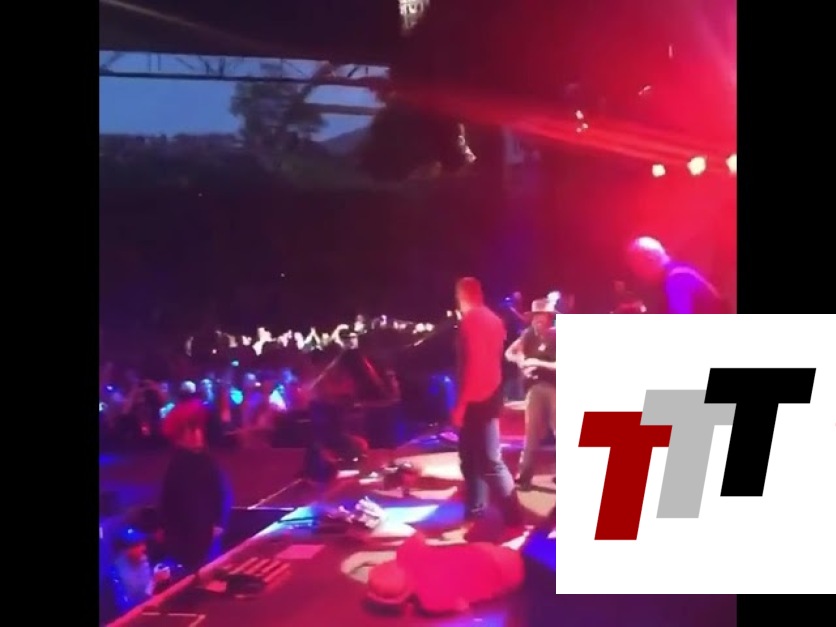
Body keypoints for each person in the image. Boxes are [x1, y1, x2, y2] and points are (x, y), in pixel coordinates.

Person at [452, 277, 523, 540]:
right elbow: (491, 363)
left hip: (477, 399)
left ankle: (513, 518)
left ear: (462, 296)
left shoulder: (471, 321)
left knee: (488, 461)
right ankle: (475, 511)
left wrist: (461, 405)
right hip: (490, 395)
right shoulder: (494, 320)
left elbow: (474, 366)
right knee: (471, 458)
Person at [159, 389, 230, 576]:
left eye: (199, 428)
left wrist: (217, 523)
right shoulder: (180, 465)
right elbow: (175, 505)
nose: (198, 434)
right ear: (180, 436)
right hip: (191, 540)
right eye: (192, 430)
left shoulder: (203, 460)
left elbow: (220, 493)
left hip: (206, 534)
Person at [504, 299, 556, 490]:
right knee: (531, 433)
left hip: (556, 388)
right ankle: (524, 476)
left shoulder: (558, 336)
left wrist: (537, 363)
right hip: (534, 388)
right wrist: (521, 361)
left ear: (549, 318)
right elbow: (509, 353)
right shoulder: (528, 335)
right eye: (536, 318)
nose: (538, 322)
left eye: (542, 318)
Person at [626, 236, 727, 314]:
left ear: (650, 259)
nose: (638, 274)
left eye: (637, 267)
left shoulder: (676, 279)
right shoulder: (675, 276)